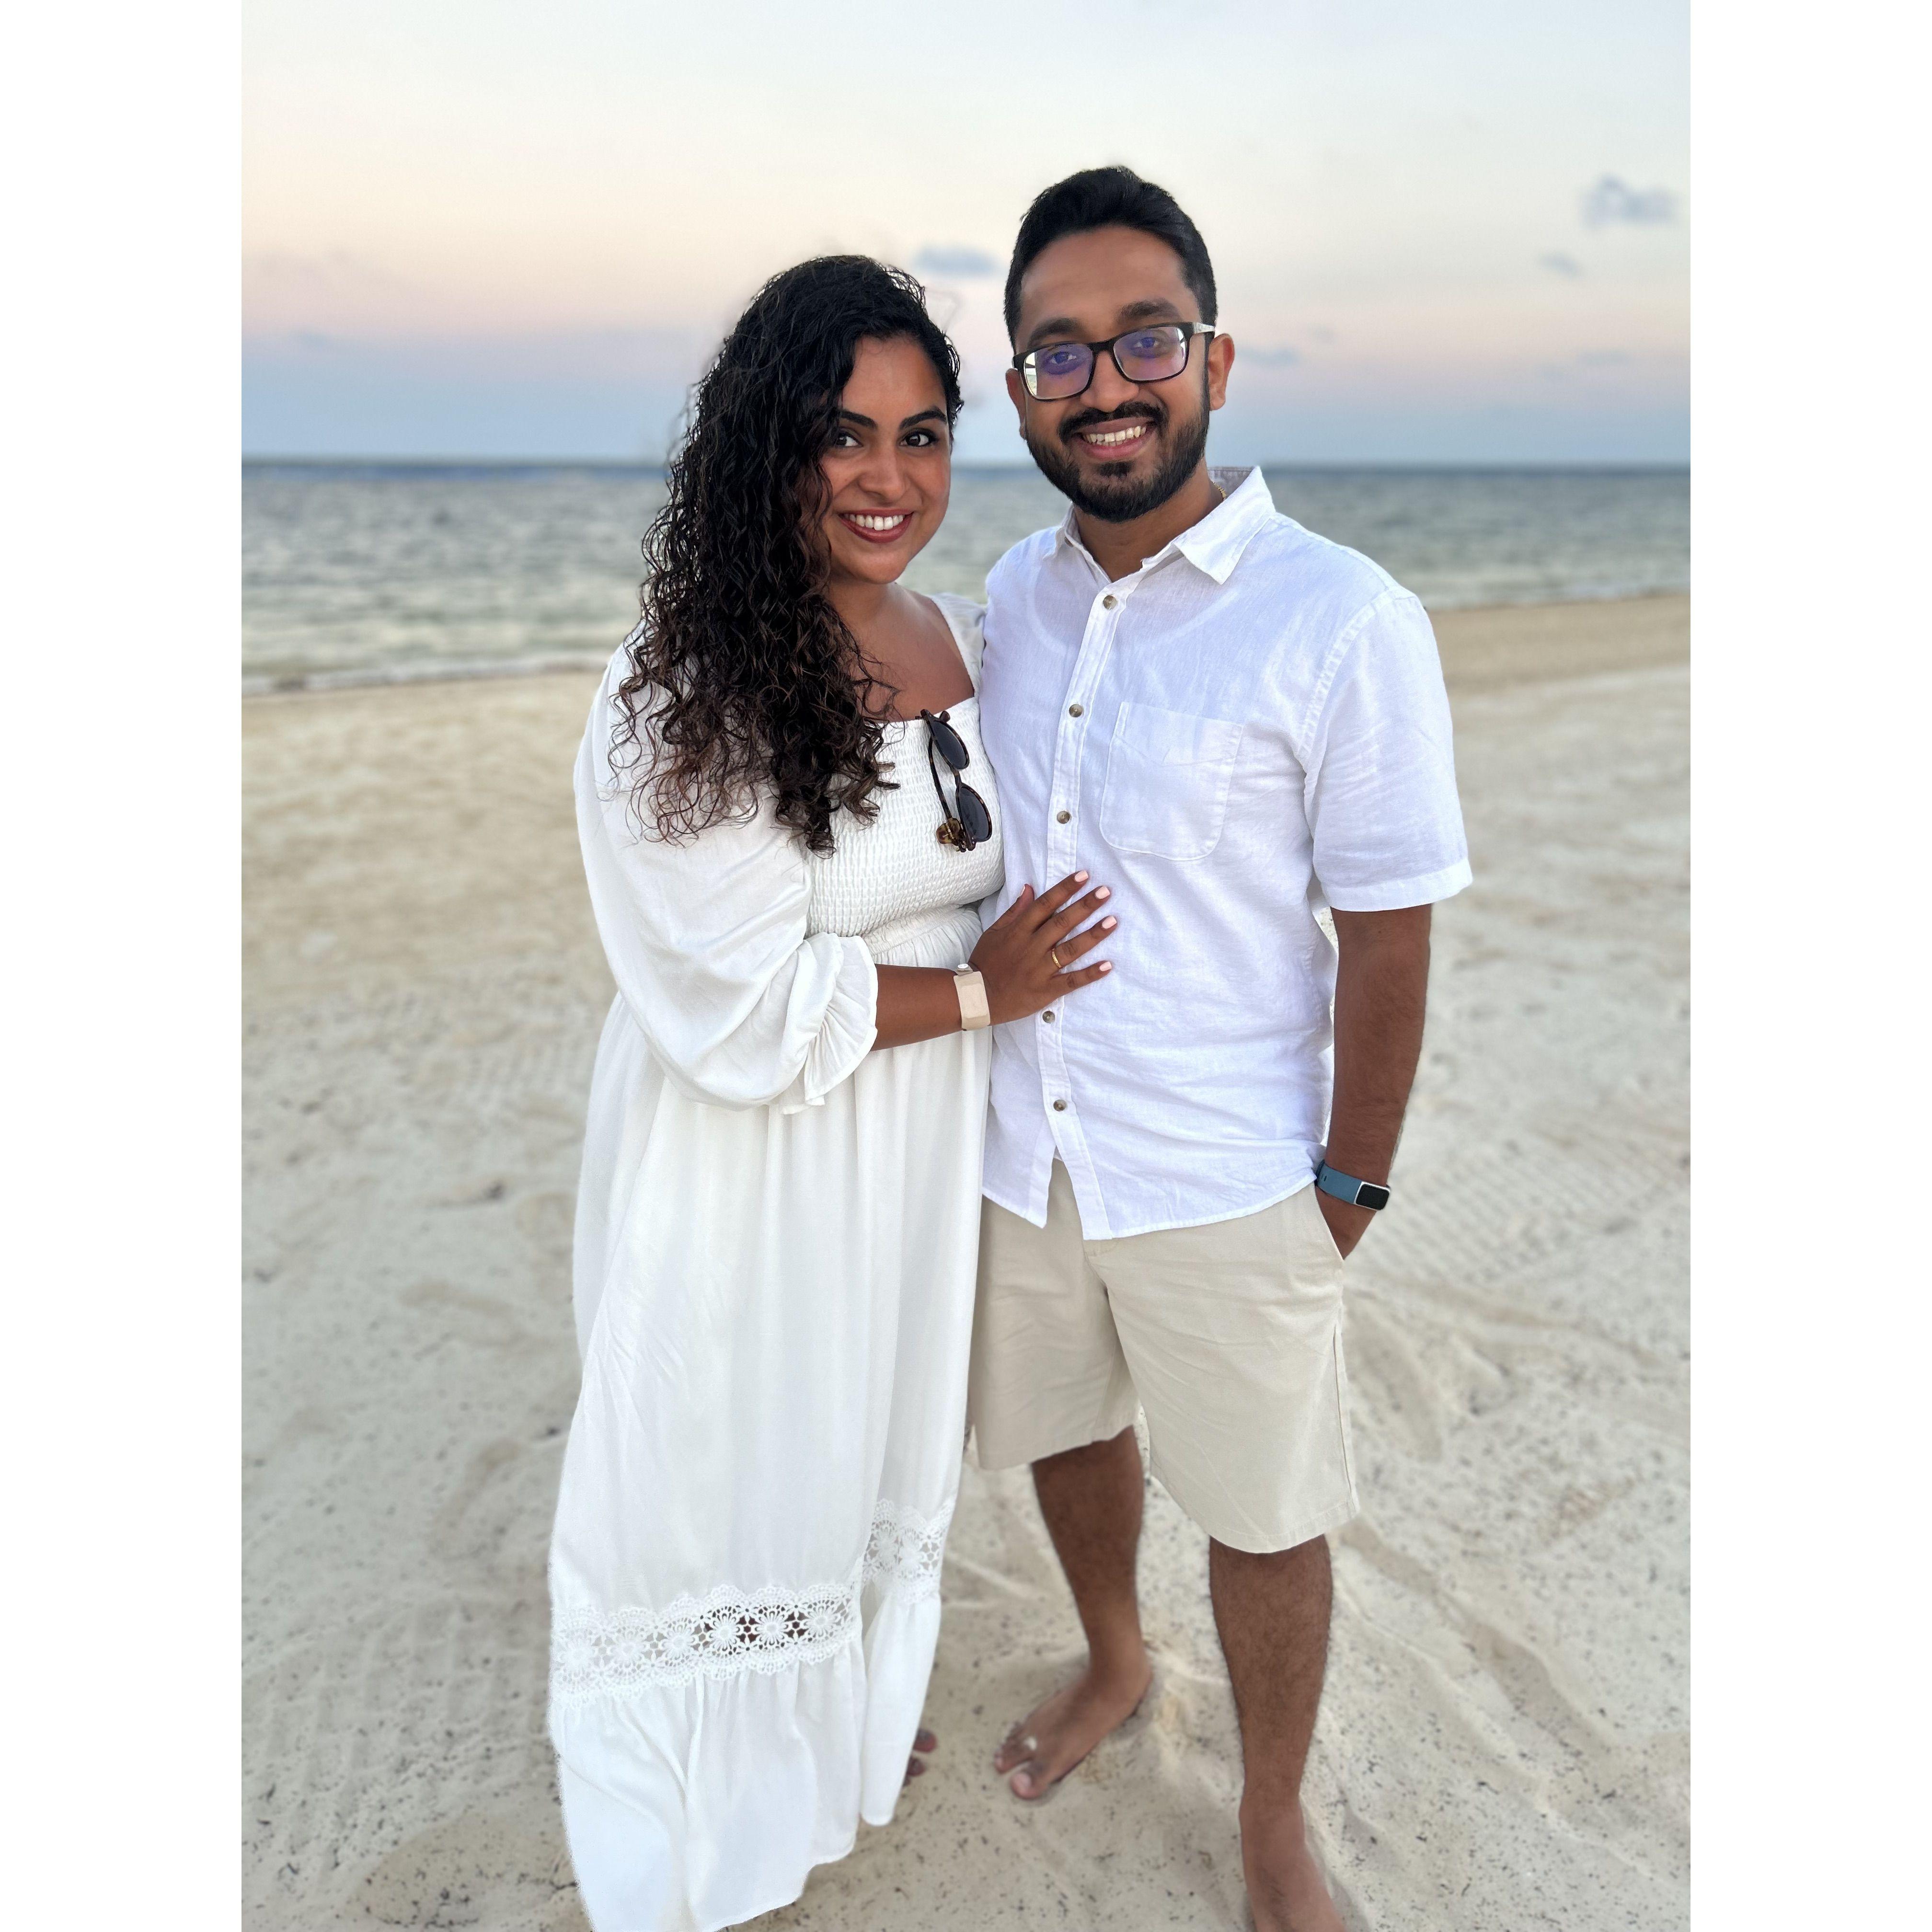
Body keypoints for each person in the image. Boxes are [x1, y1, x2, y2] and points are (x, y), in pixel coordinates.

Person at [546, 255, 1116, 1932]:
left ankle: (829, 1731)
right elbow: (736, 1005)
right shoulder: (687, 684)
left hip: (906, 1147)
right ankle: (706, 1824)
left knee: (856, 1448)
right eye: (843, 434)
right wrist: (987, 991)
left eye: (922, 435)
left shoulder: (953, 635)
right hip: (751, 1149)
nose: (888, 477)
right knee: (721, 1464)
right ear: (765, 446)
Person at [968, 168, 1472, 1932]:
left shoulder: (1342, 617)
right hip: (1024, 1147)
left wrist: (1349, 1185)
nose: (1104, 383)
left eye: (1144, 340)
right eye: (1059, 352)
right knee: (1064, 1430)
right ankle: (1115, 1655)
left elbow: (1391, 929)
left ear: (1216, 361)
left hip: (1229, 1167)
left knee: (1264, 1516)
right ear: (1020, 387)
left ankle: (1270, 1817)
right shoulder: (1010, 596)